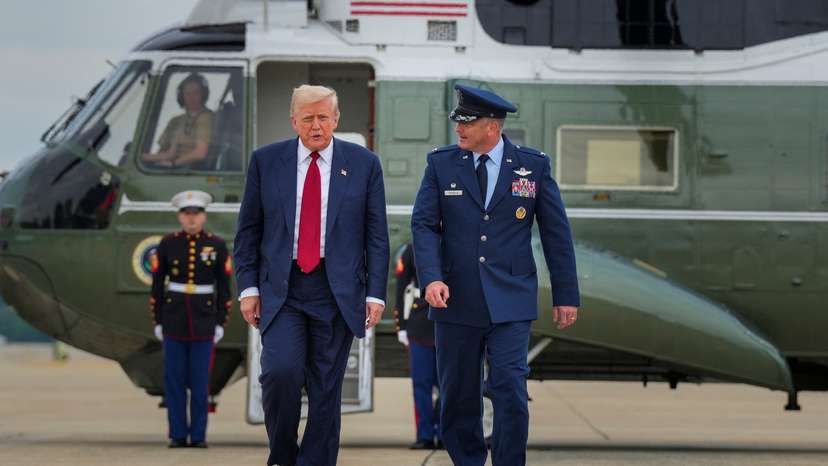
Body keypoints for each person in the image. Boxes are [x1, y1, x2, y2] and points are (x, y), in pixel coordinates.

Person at [410, 84, 580, 466]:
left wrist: (566, 294)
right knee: (458, 396)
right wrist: (432, 278)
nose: (458, 129)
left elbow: (556, 233)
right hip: (456, 299)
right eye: (457, 121)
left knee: (510, 389)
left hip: (512, 299)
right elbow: (423, 225)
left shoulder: (532, 166)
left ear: (492, 126)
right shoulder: (440, 164)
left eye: (466, 123)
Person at [234, 85, 389, 466]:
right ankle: (283, 456)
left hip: (336, 291)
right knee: (280, 374)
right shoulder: (266, 162)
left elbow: (376, 235)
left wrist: (375, 294)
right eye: (308, 118)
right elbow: (248, 231)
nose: (316, 125)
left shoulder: (364, 164)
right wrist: (248, 288)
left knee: (325, 389)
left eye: (323, 117)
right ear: (294, 121)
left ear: (336, 119)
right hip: (282, 289)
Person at [149, 190, 232, 448]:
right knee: (173, 381)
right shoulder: (167, 244)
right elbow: (157, 286)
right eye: (187, 214)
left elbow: (224, 287)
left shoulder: (217, 245)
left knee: (199, 383)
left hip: (204, 321)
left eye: (196, 214)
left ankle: (198, 436)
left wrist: (220, 322)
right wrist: (158, 321)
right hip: (174, 320)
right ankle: (176, 434)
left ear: (204, 216)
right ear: (180, 217)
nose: (191, 219)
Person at [393, 242, 441, 450]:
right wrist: (402, 326)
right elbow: (402, 286)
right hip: (420, 325)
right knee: (421, 385)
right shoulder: (413, 248)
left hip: (450, 326)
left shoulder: (460, 240)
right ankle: (425, 435)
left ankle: (446, 433)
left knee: (449, 387)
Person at [142, 73, 214, 169]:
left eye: (196, 93)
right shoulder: (176, 121)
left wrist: (174, 164)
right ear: (182, 96)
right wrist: (141, 157)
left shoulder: (206, 118)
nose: (192, 98)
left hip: (187, 170)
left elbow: (200, 153)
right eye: (188, 94)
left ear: (203, 95)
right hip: (171, 166)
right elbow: (168, 153)